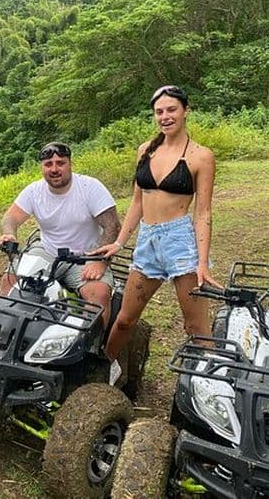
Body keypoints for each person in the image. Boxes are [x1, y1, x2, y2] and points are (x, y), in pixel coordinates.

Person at [90, 85, 220, 371]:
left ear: (186, 111)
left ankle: (210, 383)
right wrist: (120, 242)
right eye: (159, 112)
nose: (165, 116)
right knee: (125, 319)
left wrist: (201, 263)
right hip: (148, 242)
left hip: (181, 242)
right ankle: (102, 371)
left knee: (196, 326)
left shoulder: (201, 156)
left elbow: (203, 212)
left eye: (171, 109)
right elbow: (137, 202)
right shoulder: (146, 151)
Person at [0, 142, 121, 326]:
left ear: (70, 164)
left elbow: (112, 226)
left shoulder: (90, 187)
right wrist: (9, 235)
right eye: (48, 164)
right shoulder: (34, 191)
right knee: (10, 280)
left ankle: (92, 347)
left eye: (60, 163)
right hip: (47, 250)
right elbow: (10, 218)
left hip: (85, 255)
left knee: (99, 295)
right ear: (42, 167)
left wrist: (100, 260)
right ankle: (4, 330)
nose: (54, 169)